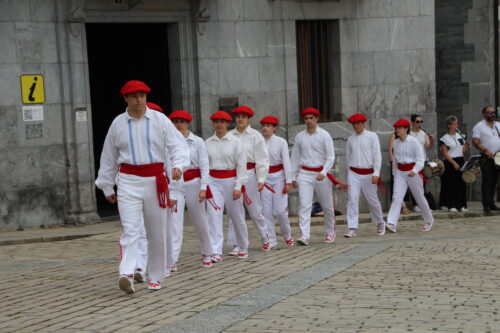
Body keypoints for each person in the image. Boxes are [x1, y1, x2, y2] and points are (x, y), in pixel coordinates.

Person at [95, 80, 189, 293]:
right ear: (126, 98)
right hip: (128, 180)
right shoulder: (118, 123)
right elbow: (109, 156)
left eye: (142, 95)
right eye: (134, 95)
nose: (139, 99)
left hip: (155, 180)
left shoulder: (160, 120)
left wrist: (178, 166)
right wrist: (107, 186)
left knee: (156, 231)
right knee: (130, 228)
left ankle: (155, 275)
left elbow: (178, 145)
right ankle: (126, 272)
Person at [165, 110, 215, 271]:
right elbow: (166, 166)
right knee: (174, 224)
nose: (178, 125)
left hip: (194, 182)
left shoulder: (198, 141)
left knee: (200, 220)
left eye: (181, 121)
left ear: (187, 123)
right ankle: (172, 260)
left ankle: (207, 252)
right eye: (175, 122)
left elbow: (204, 165)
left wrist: (203, 188)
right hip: (176, 185)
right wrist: (170, 188)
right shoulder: (168, 142)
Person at [227, 106, 271, 254]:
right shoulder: (230, 135)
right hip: (234, 175)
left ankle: (265, 237)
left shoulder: (255, 136)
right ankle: (237, 243)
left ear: (248, 119)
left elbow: (262, 158)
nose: (240, 119)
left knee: (254, 209)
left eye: (243, 117)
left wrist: (261, 178)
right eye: (238, 116)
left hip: (250, 173)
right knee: (234, 210)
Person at [205, 111, 249, 261]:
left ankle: (242, 245)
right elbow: (204, 166)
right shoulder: (207, 143)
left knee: (237, 215)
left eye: (222, 121)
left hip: (231, 180)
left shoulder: (236, 142)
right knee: (213, 216)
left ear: (227, 124)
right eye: (216, 121)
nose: (219, 124)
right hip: (213, 181)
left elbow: (241, 166)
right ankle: (216, 250)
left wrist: (238, 186)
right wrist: (205, 185)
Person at [291, 107, 336, 245]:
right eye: (306, 118)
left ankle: (330, 232)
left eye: (311, 118)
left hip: (321, 173)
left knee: (327, 206)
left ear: (316, 119)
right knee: (304, 205)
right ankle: (304, 236)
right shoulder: (300, 137)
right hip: (304, 174)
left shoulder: (324, 135)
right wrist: (293, 177)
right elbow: (295, 157)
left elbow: (331, 156)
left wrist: (323, 172)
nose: (309, 121)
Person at [386, 119, 434, 233]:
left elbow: (420, 159)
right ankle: (391, 222)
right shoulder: (396, 143)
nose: (397, 130)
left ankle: (428, 219)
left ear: (406, 129)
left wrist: (415, 170)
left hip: (413, 172)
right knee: (397, 197)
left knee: (419, 197)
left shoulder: (414, 141)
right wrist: (394, 172)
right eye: (396, 128)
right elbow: (395, 160)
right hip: (400, 173)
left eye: (400, 128)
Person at [344, 113, 385, 238]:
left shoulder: (372, 136)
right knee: (352, 199)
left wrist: (376, 173)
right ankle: (352, 227)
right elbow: (348, 157)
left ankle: (380, 222)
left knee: (372, 200)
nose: (356, 126)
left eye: (358, 123)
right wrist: (349, 172)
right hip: (354, 173)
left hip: (368, 173)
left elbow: (377, 156)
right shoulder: (351, 139)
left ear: (363, 123)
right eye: (354, 124)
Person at [259, 115, 294, 247]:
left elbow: (286, 161)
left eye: (268, 125)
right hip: (265, 178)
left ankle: (287, 234)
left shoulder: (281, 142)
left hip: (279, 177)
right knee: (266, 211)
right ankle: (271, 240)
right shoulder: (258, 142)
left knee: (280, 210)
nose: (265, 128)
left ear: (274, 128)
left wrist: (288, 181)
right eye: (263, 125)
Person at [472, 106, 500, 212]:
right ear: (484, 114)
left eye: (493, 112)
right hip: (486, 157)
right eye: (489, 113)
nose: (492, 114)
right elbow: (475, 141)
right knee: (487, 181)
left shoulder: (498, 125)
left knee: (494, 181)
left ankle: (491, 203)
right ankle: (486, 204)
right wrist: (485, 150)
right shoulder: (479, 126)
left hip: (497, 157)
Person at [439, 116, 469, 212]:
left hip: (460, 159)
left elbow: (462, 149)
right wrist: (453, 163)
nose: (457, 125)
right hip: (450, 161)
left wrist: (467, 147)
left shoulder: (461, 136)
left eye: (457, 123)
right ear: (449, 125)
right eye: (454, 124)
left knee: (461, 183)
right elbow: (445, 153)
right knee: (451, 184)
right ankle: (451, 204)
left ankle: (462, 205)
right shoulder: (444, 138)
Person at [409, 114, 434, 212]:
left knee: (422, 184)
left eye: (421, 122)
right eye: (417, 122)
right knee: (414, 183)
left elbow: (428, 147)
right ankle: (415, 205)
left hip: (423, 160)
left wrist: (431, 141)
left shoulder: (423, 133)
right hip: (412, 161)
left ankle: (422, 205)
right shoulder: (409, 134)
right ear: (412, 122)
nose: (420, 124)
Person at [388, 132, 411, 214]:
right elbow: (390, 150)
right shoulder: (394, 136)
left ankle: (404, 205)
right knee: (396, 185)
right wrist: (393, 162)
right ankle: (403, 206)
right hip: (396, 165)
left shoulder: (408, 138)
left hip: (405, 165)